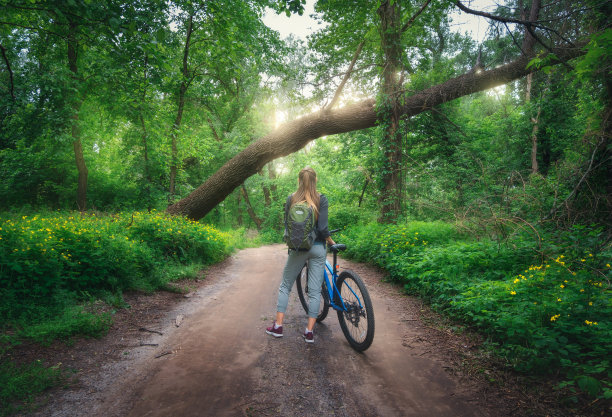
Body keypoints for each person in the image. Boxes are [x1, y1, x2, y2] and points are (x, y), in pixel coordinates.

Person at [266, 167, 335, 343]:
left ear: (298, 181)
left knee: (285, 286)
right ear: (316, 180)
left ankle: (278, 327)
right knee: (314, 292)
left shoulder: (291, 199)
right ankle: (309, 332)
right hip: (318, 248)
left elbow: (286, 225)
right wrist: (331, 242)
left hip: (298, 250)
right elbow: (323, 229)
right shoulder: (322, 199)